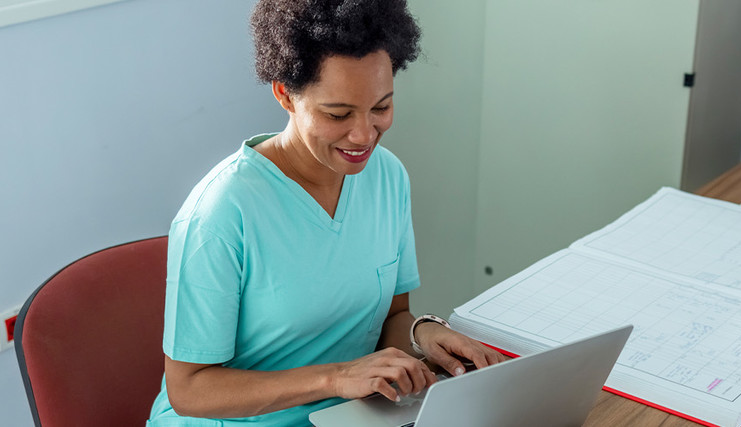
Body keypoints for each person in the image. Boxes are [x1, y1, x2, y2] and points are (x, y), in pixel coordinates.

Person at [147, 1, 506, 425]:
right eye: (338, 114)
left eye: (381, 108)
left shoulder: (386, 177)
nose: (363, 135)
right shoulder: (221, 213)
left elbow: (390, 317)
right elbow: (189, 389)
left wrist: (422, 334)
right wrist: (335, 378)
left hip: (353, 415)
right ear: (284, 93)